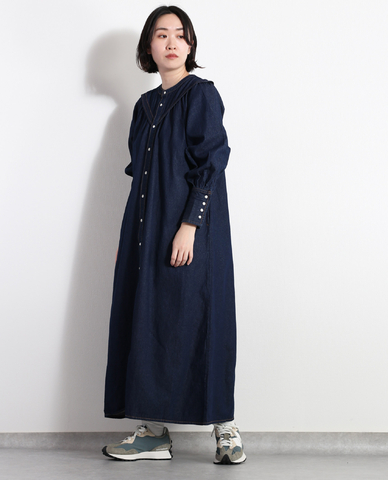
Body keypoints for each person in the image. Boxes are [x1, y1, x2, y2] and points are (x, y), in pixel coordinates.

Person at [102, 5, 246, 465]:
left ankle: (225, 428)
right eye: (162, 34)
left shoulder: (201, 94)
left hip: (191, 227)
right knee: (148, 319)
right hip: (145, 229)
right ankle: (153, 433)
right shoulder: (144, 106)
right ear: (149, 45)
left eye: (180, 35)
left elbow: (213, 161)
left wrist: (189, 226)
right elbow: (140, 175)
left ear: (190, 45)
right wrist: (129, 237)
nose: (171, 42)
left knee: (204, 316)